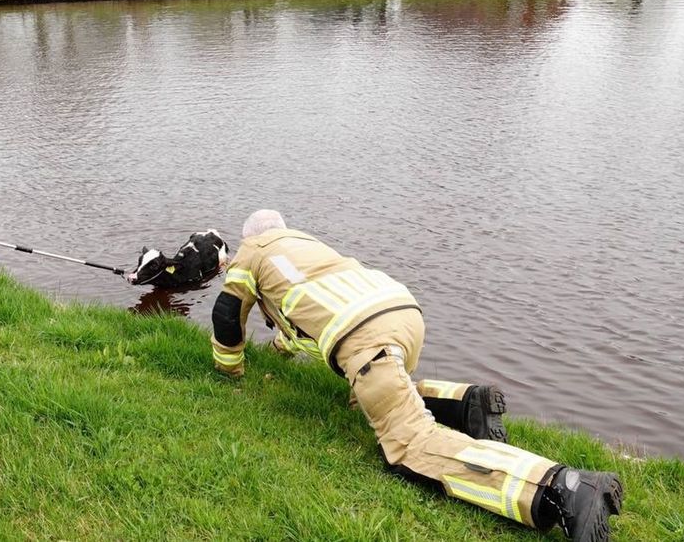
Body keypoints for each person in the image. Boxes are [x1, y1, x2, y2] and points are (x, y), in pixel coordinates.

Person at [210, 210, 624, 542]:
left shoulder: (250, 254)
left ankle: (560, 488)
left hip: (362, 336)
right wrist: (280, 351)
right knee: (383, 391)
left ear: (248, 238)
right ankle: (467, 404)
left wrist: (230, 371)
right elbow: (304, 314)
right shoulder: (302, 244)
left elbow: (227, 315)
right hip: (400, 311)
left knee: (409, 442)